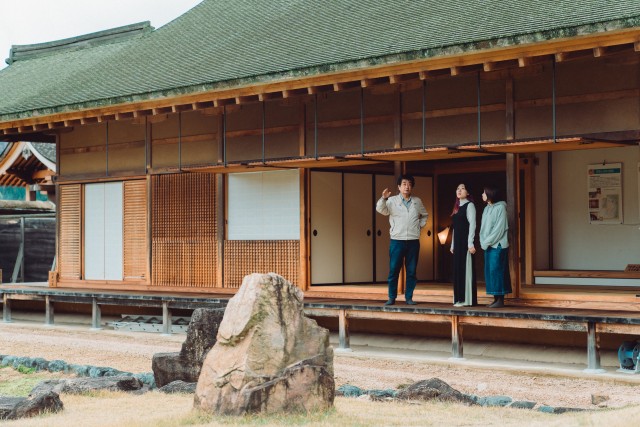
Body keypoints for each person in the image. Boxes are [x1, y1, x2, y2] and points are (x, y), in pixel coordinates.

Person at [376, 174, 428, 306]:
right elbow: (380, 209)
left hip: (413, 240)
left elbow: (425, 215)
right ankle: (391, 297)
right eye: (404, 184)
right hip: (397, 240)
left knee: (411, 270)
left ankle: (409, 297)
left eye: (409, 184)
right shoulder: (392, 201)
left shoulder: (417, 201)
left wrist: (419, 226)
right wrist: (383, 198)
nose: (407, 186)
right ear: (399, 187)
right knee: (394, 270)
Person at [479, 186, 511, 308]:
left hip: (498, 245)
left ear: (490, 194)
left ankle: (500, 299)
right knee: (490, 272)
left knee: (497, 271)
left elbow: (499, 229)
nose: (482, 194)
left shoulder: (501, 208)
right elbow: (483, 228)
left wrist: (487, 242)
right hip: (488, 245)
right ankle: (495, 298)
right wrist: (483, 241)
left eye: (484, 193)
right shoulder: (486, 209)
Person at [450, 183, 477, 307]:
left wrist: (470, 243)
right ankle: (458, 298)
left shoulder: (470, 205)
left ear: (468, 193)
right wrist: (452, 244)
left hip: (465, 243)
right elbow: (455, 228)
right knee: (457, 270)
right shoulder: (456, 207)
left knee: (465, 270)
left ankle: (465, 299)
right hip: (458, 243)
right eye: (457, 188)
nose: (459, 190)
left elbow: (472, 225)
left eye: (463, 188)